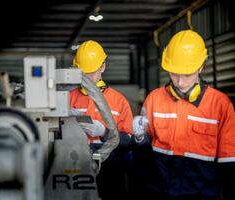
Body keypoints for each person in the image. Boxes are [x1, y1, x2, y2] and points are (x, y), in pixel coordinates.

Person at [133, 29, 235, 200]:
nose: (180, 81)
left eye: (187, 74)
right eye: (174, 73)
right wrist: (138, 138)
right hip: (158, 193)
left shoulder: (221, 105)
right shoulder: (153, 99)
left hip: (202, 196)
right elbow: (142, 156)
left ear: (201, 66)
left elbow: (229, 162)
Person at [70, 40, 133, 199]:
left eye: (91, 73)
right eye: (82, 74)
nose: (87, 79)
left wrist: (105, 132)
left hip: (110, 171)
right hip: (74, 168)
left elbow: (127, 142)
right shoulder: (68, 98)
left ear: (103, 67)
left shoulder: (119, 101)